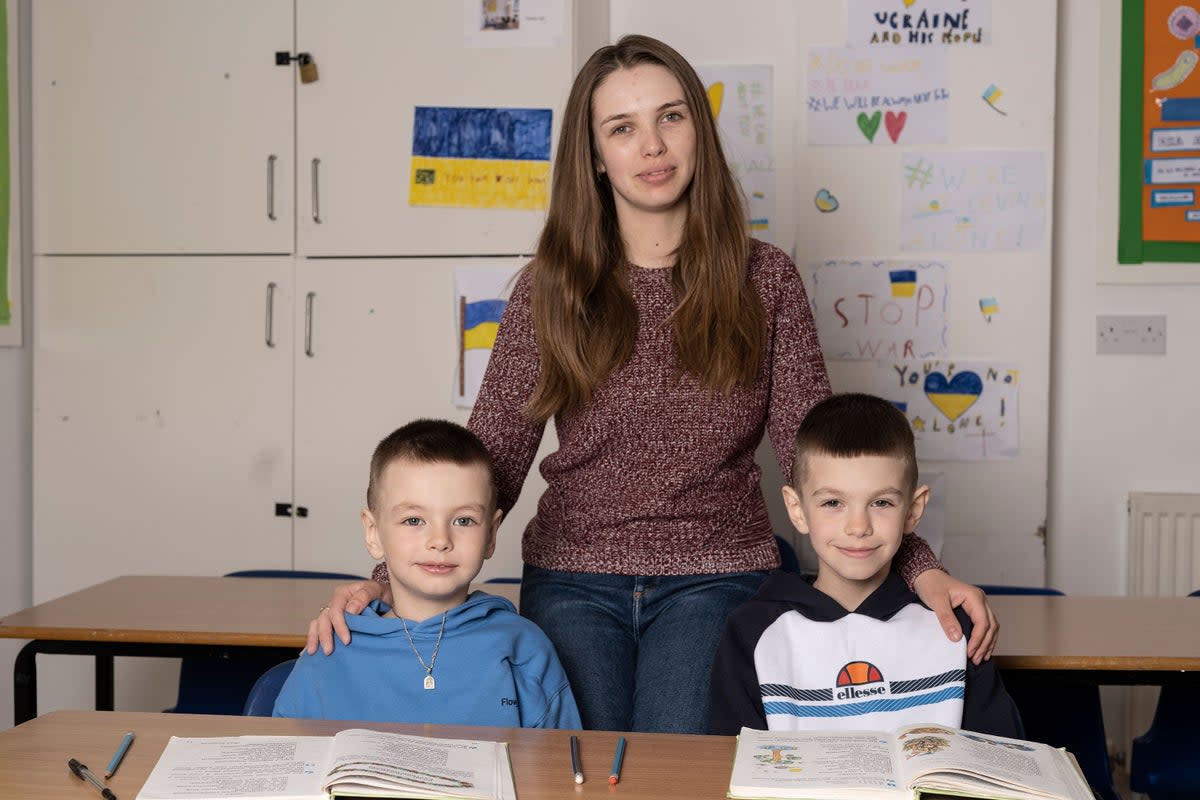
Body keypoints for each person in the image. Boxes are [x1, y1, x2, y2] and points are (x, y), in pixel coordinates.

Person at [307, 34, 997, 734]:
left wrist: (922, 569)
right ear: (596, 157)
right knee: (576, 767)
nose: (652, 147)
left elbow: (825, 463)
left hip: (719, 574)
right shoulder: (549, 290)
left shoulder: (767, 281)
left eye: (671, 117)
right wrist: (381, 587)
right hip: (573, 576)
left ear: (700, 129)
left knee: (672, 764)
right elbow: (483, 468)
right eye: (623, 128)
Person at [709, 394, 1022, 738]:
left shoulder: (953, 626)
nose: (858, 527)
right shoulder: (753, 631)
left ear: (914, 510)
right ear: (797, 510)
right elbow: (730, 767)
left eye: (881, 502)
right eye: (833, 502)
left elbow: (1002, 759)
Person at [274, 419, 581, 729]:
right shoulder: (329, 648)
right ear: (373, 533)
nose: (440, 541)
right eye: (413, 520)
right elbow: (286, 762)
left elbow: (559, 769)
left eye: (463, 521)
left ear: (491, 535)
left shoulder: (523, 647)